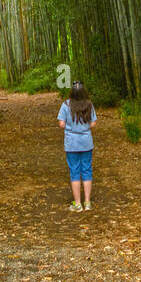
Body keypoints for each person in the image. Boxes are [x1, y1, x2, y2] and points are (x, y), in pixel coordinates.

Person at [57, 80, 97, 211]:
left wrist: (71, 127)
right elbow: (93, 123)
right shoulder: (89, 104)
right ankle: (87, 202)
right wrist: (83, 127)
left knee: (74, 172)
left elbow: (61, 123)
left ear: (71, 92)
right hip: (86, 142)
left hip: (71, 143)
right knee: (86, 170)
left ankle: (78, 204)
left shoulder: (66, 105)